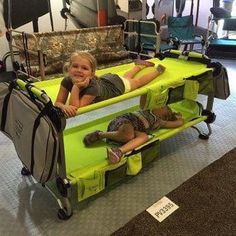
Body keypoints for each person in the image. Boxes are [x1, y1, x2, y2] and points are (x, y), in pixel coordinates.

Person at [55, 51, 166, 117]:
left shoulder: (93, 87)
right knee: (125, 77)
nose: (79, 70)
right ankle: (138, 66)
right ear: (69, 68)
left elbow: (75, 108)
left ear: (92, 74)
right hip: (108, 79)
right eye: (75, 66)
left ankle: (158, 71)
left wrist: (76, 87)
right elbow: (58, 102)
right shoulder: (66, 80)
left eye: (84, 68)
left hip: (115, 87)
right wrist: (63, 106)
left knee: (137, 82)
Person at [83, 106, 184, 164]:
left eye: (168, 116)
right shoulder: (147, 108)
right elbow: (147, 95)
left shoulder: (159, 122)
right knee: (128, 133)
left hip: (134, 131)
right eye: (167, 109)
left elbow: (179, 123)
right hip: (124, 121)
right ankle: (100, 134)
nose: (167, 113)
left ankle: (119, 151)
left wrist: (177, 117)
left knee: (143, 136)